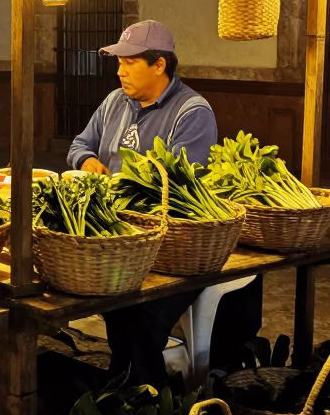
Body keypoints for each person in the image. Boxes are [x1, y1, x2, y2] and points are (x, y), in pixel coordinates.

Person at [67, 20, 263, 390]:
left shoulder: (192, 112)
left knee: (141, 315)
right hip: (123, 239)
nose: (120, 70)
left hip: (176, 250)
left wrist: (120, 187)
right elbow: (79, 145)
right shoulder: (114, 102)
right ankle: (124, 387)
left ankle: (150, 403)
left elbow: (174, 187)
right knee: (112, 304)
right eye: (118, 62)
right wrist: (87, 162)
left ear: (159, 65)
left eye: (130, 62)